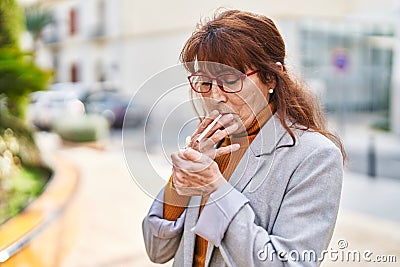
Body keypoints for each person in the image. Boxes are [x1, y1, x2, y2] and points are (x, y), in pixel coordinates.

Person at [142, 9, 345, 267]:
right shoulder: (209, 146)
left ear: (271, 76)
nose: (215, 96)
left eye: (229, 79)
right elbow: (156, 251)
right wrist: (179, 187)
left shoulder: (315, 156)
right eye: (204, 82)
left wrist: (216, 188)